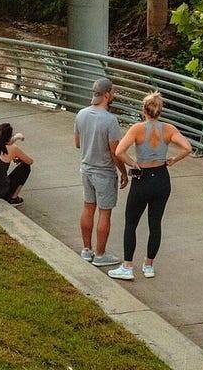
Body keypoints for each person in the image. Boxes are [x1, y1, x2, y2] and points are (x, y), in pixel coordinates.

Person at [107, 91, 192, 281]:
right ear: (160, 111)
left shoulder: (137, 129)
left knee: (131, 223)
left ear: (143, 110)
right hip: (162, 177)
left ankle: (128, 266)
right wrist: (173, 159)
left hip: (142, 178)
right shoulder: (169, 129)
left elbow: (120, 151)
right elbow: (187, 147)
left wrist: (132, 163)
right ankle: (149, 265)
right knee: (155, 224)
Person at [74, 77, 128, 268]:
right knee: (105, 213)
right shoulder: (110, 120)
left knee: (88, 207)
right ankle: (100, 254)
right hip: (104, 172)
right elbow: (115, 152)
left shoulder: (81, 114)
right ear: (107, 94)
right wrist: (123, 172)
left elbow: (77, 143)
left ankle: (86, 250)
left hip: (86, 168)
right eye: (112, 92)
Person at [0, 122, 33, 205]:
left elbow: (1, 142)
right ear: (10, 136)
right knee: (26, 167)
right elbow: (30, 161)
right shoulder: (12, 148)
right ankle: (13, 198)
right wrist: (18, 157)